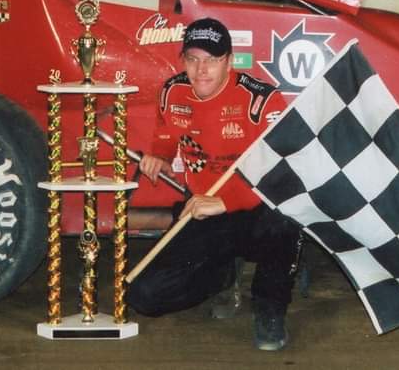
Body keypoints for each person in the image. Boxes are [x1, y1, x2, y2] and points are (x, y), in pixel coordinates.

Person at [128, 18, 300, 351]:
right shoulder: (172, 90)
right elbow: (166, 132)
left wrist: (227, 202)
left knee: (285, 217)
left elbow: (283, 171)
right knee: (144, 296)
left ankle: (269, 306)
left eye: (212, 59)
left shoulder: (261, 100)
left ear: (229, 61)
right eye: (193, 59)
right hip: (201, 209)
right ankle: (222, 277)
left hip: (254, 208)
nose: (201, 69)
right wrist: (160, 155)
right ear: (183, 61)